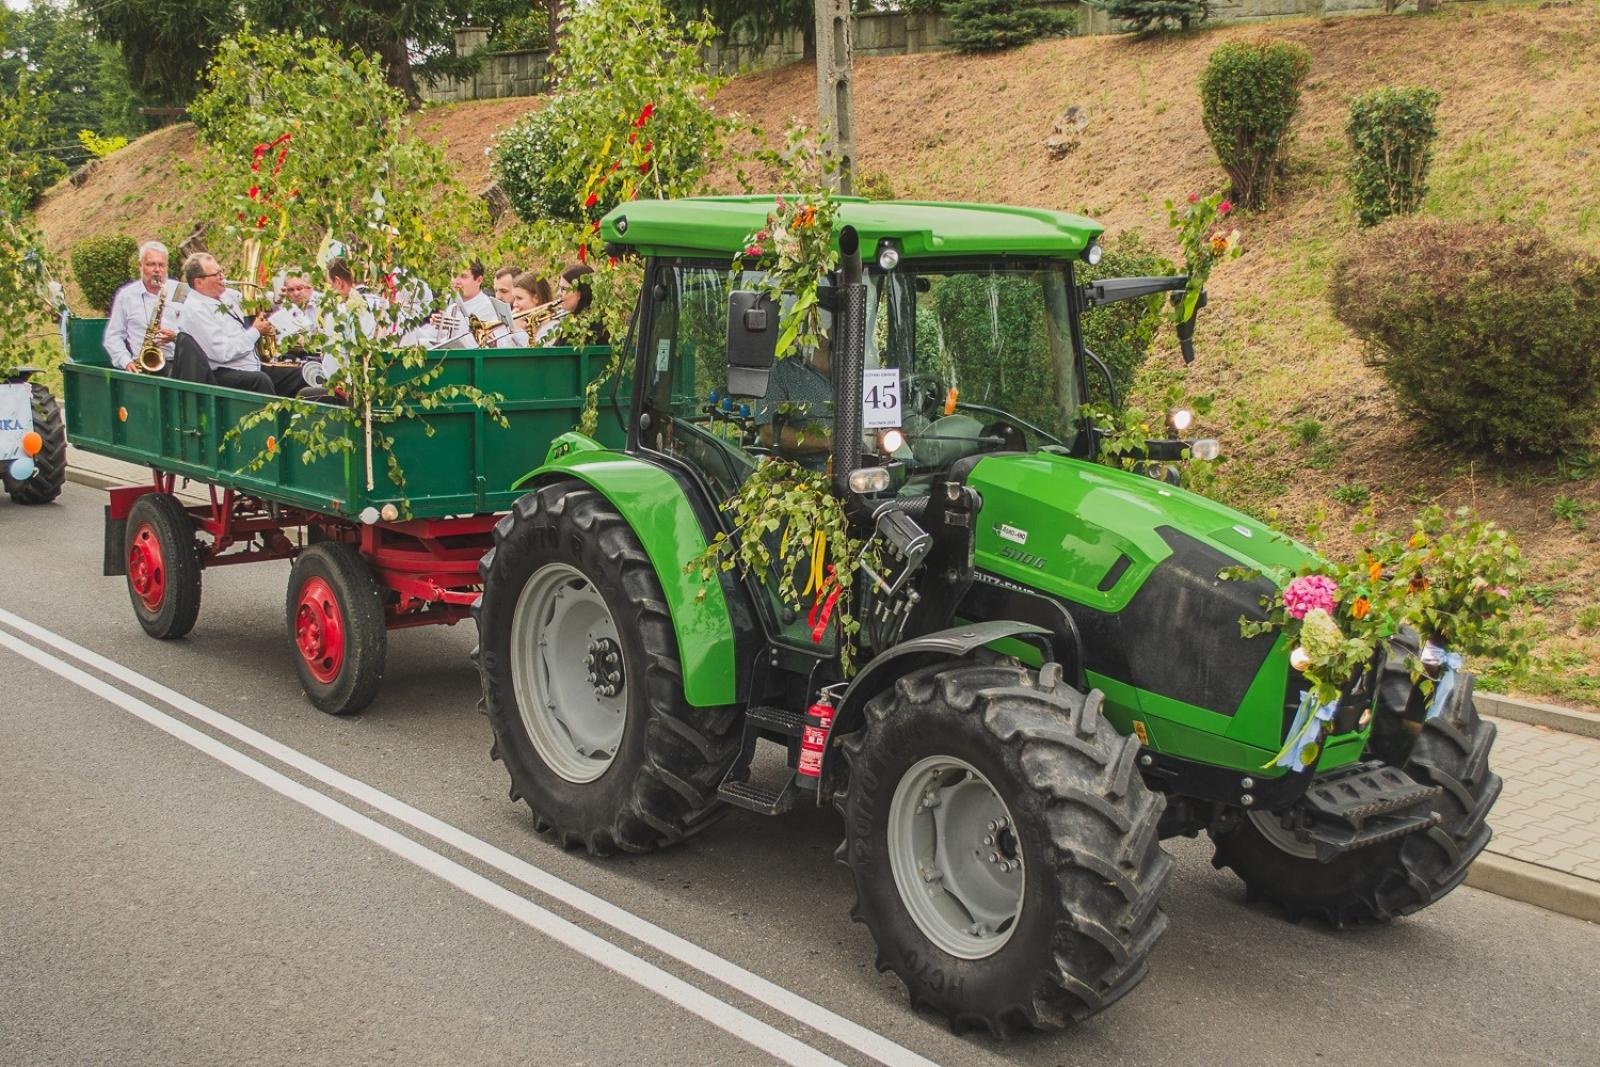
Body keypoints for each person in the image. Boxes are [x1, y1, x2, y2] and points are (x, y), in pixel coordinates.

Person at [177, 252, 291, 396]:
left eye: (221, 271)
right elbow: (223, 353)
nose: (223, 277)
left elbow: (254, 301)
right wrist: (256, 331)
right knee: (260, 381)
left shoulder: (226, 295)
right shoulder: (195, 310)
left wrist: (276, 299)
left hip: (250, 366)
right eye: (217, 274)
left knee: (298, 375)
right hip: (222, 374)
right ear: (199, 282)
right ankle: (273, 418)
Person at [102, 241, 209, 379]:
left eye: (161, 265)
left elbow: (199, 327)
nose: (157, 270)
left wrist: (175, 336)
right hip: (144, 366)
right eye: (151, 264)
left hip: (181, 363)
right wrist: (126, 361)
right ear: (140, 266)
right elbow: (113, 336)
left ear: (167, 267)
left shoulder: (181, 290)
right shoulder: (126, 296)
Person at [753, 332, 833, 469]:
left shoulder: (860, 363)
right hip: (804, 475)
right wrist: (829, 442)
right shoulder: (780, 366)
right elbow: (768, 433)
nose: (827, 325)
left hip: (868, 472)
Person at [506, 273, 554, 347]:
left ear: (536, 298)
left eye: (519, 298)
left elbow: (533, 355)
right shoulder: (527, 323)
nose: (514, 304)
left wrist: (517, 329)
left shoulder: (551, 326)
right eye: (514, 298)